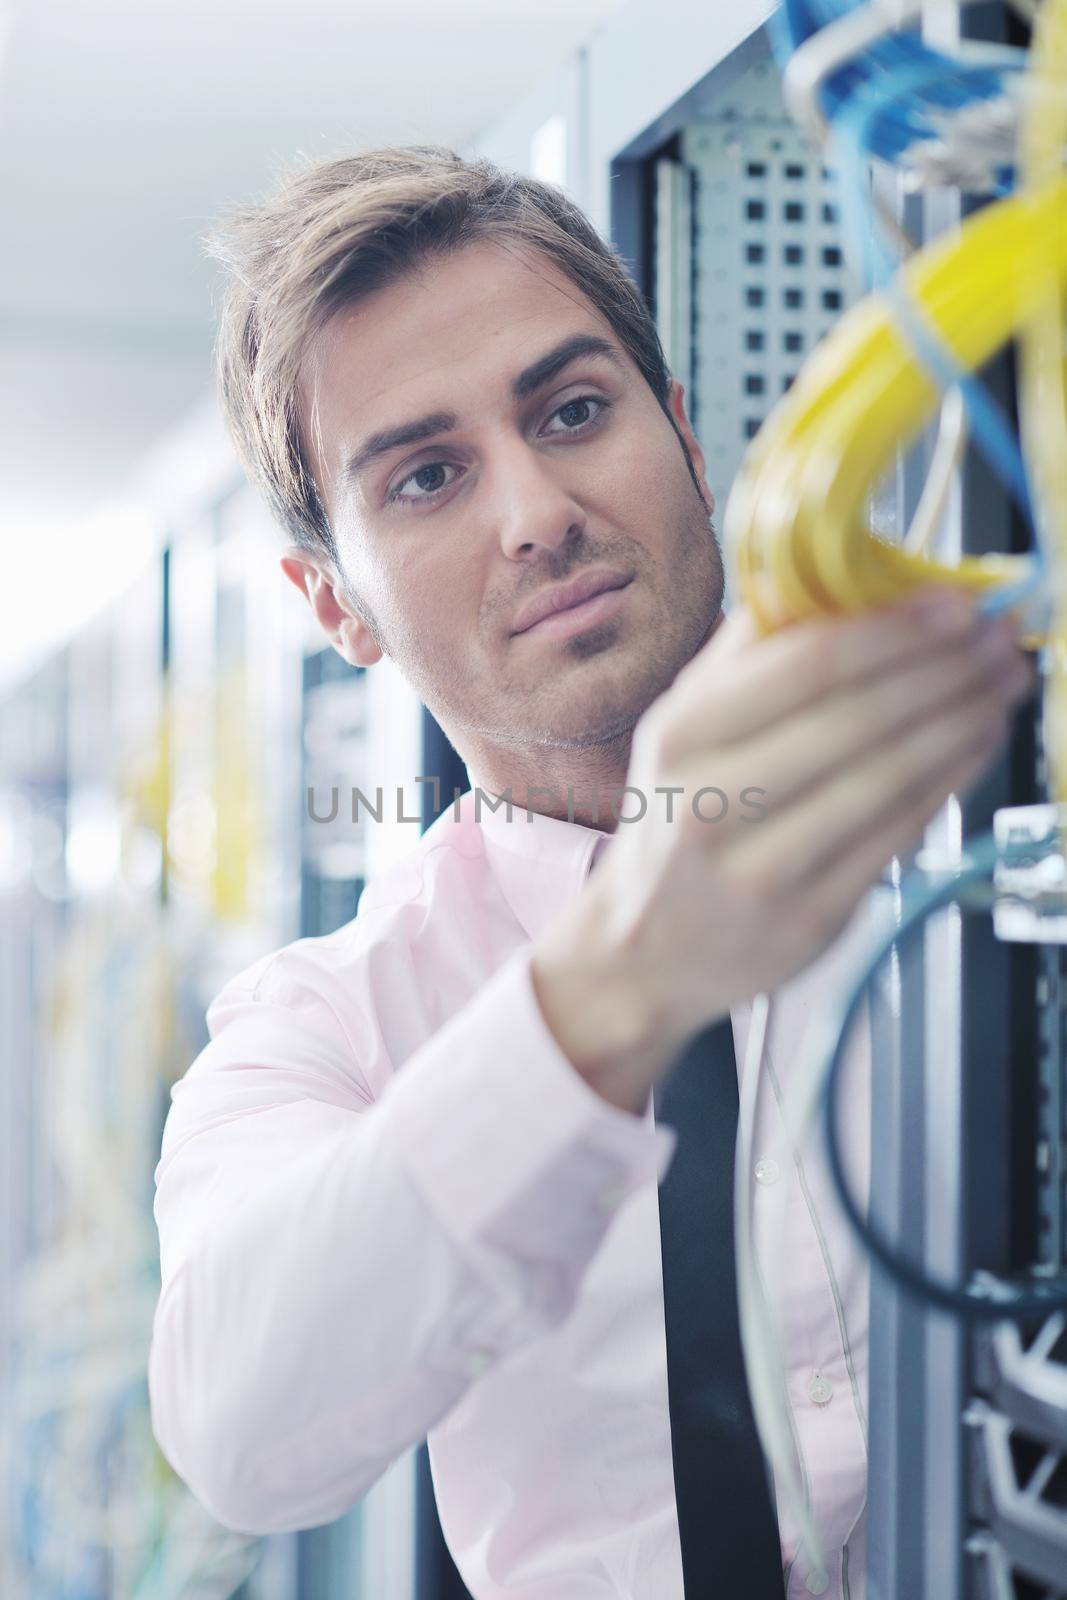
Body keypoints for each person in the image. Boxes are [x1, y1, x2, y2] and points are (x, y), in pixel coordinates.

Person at [147, 145, 1034, 1600]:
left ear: (684, 434)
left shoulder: (969, 838)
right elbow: (243, 1434)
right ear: (335, 606)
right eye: (427, 475)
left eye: (572, 411)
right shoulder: (326, 1024)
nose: (537, 511)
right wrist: (616, 984)